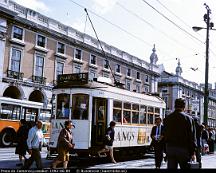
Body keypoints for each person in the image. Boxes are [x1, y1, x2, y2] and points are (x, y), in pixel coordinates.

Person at [163, 98, 197, 169]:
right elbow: (192, 137)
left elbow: (164, 135)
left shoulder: (167, 118)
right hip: (183, 149)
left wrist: (166, 150)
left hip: (170, 148)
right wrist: (193, 152)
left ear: (174, 106)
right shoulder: (189, 119)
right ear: (184, 107)